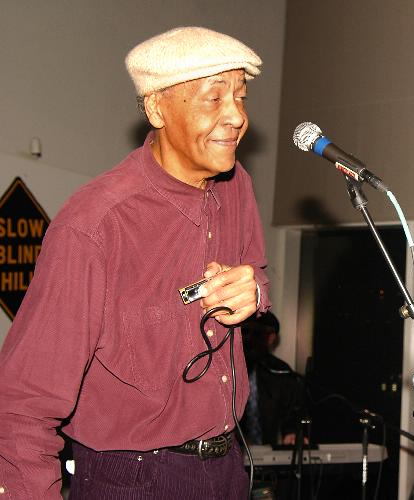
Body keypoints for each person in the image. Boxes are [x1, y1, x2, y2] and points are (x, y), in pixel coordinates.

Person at [0, 27, 270, 499]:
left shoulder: (236, 185)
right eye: (214, 98)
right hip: (131, 478)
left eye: (240, 97)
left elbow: (258, 275)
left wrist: (255, 293)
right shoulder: (94, 224)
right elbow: (22, 407)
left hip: (227, 467)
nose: (236, 117)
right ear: (156, 108)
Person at [241, 312, 306, 446]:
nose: (248, 339)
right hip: (232, 452)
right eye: (244, 332)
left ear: (270, 338)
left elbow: (292, 413)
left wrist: (291, 433)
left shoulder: (281, 371)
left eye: (256, 334)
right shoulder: (226, 370)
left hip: (270, 452)